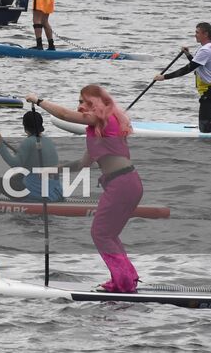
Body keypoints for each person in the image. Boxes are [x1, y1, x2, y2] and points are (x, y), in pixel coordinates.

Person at [26, 85, 141, 293]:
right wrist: (54, 170)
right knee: (109, 234)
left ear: (95, 104)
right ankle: (127, 278)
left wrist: (38, 101)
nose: (79, 106)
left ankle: (123, 283)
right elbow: (82, 164)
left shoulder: (100, 119)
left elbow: (63, 114)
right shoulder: (98, 129)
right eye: (78, 102)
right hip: (128, 183)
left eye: (83, 102)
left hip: (122, 184)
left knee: (101, 233)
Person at [0, 109, 64, 201]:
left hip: (38, 194)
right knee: (15, 178)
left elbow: (14, 164)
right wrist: (24, 156)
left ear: (25, 127)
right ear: (41, 125)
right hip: (55, 192)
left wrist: (0, 144)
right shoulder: (49, 141)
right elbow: (36, 164)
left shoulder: (28, 142)